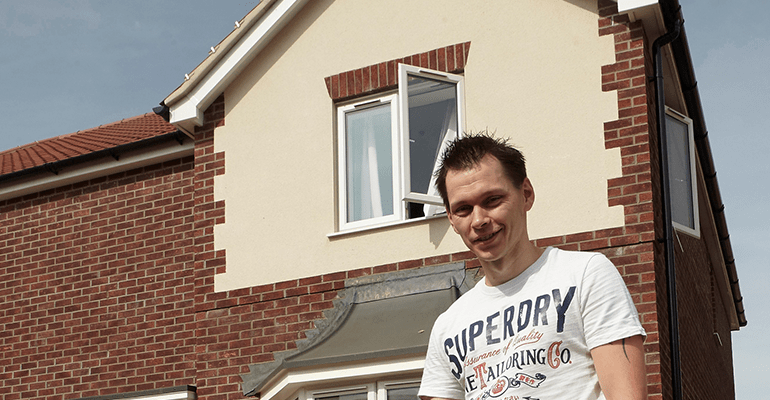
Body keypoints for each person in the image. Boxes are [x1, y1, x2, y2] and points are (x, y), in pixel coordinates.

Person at [418, 134, 647, 400]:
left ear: (526, 194)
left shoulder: (585, 275)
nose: (479, 220)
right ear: (451, 218)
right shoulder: (448, 326)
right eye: (463, 209)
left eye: (492, 200)